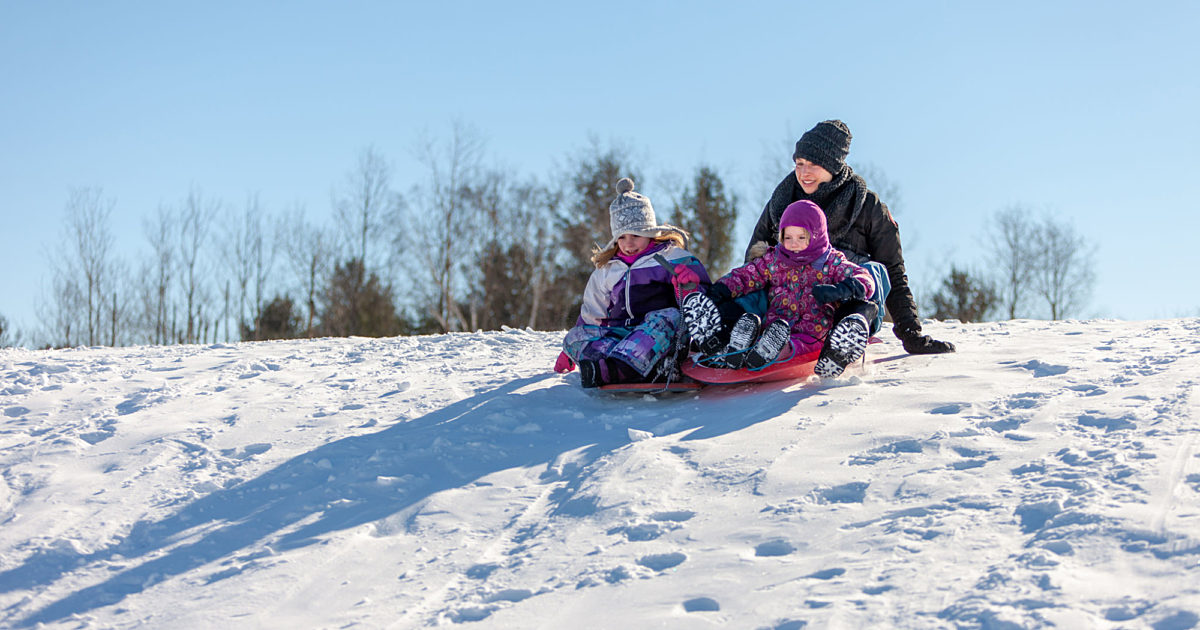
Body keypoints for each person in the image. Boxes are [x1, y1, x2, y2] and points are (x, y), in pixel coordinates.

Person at [747, 119, 955, 355]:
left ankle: (846, 334)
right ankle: (743, 337)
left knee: (874, 271)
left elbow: (893, 271)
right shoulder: (782, 203)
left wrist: (911, 334)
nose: (804, 172)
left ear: (833, 164)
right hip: (789, 303)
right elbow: (754, 262)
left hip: (842, 301)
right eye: (799, 163)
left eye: (814, 164)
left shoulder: (867, 206)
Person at [675, 199, 876, 377]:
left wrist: (842, 289)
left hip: (812, 332)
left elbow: (865, 278)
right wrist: (722, 289)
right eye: (788, 238)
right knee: (766, 335)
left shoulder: (830, 262)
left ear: (816, 236)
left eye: (801, 237)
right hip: (775, 326)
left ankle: (769, 351)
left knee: (788, 347)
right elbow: (748, 274)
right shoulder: (775, 259)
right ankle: (733, 349)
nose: (794, 244)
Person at [556, 177, 712, 388]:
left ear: (650, 233)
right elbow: (593, 315)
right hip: (622, 339)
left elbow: (704, 302)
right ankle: (638, 368)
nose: (628, 244)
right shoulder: (607, 270)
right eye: (622, 237)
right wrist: (568, 352)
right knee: (574, 337)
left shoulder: (673, 257)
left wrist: (689, 286)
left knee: (669, 317)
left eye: (636, 235)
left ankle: (622, 369)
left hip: (660, 338)